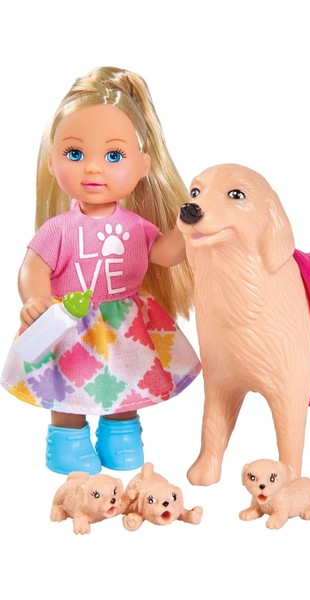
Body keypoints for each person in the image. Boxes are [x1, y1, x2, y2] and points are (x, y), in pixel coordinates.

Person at [1, 66, 201, 475]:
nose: (93, 169)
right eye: (75, 154)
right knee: (66, 384)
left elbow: (164, 253)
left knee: (124, 379)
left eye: (113, 156)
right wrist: (36, 297)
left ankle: (121, 434)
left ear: (143, 165)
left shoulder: (136, 227)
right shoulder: (59, 229)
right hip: (69, 322)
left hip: (124, 323)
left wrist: (187, 228)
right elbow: (33, 266)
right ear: (52, 160)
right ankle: (68, 441)